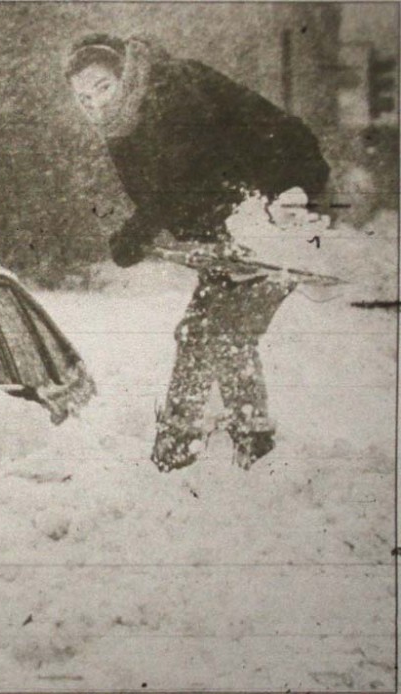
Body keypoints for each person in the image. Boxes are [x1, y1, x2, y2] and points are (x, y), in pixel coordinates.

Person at [65, 34, 330, 471]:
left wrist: (289, 193)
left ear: (124, 72)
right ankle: (246, 441)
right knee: (208, 335)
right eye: (83, 96)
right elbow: (168, 193)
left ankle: (181, 447)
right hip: (227, 238)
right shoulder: (121, 124)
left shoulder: (175, 89)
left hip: (272, 218)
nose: (94, 102)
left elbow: (213, 161)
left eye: (102, 86)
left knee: (215, 337)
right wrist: (139, 229)